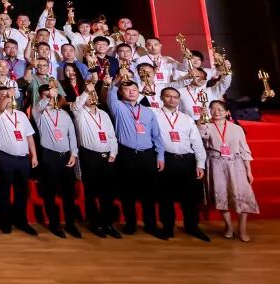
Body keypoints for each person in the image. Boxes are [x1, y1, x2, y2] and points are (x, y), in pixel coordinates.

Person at [106, 78, 166, 239]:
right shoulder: (118, 107)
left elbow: (156, 135)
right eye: (127, 89)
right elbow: (111, 94)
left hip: (147, 154)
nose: (131, 92)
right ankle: (130, 223)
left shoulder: (148, 111)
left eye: (134, 89)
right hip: (127, 154)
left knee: (149, 192)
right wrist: (117, 82)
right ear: (121, 92)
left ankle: (151, 225)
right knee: (128, 191)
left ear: (139, 91)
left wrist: (160, 155)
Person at [153, 87, 209, 241]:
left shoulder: (187, 118)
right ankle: (167, 228)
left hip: (187, 161)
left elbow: (196, 142)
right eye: (168, 96)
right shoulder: (154, 114)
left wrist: (200, 164)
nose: (172, 99)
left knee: (190, 198)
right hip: (166, 160)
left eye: (175, 97)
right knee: (165, 197)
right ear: (161, 98)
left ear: (179, 100)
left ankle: (192, 227)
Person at [200, 100, 259, 242]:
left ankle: (242, 229)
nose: (216, 112)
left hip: (235, 164)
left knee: (243, 196)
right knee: (222, 197)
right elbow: (200, 136)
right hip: (215, 165)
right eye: (213, 109)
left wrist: (248, 170)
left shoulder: (236, 128)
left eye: (220, 109)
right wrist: (201, 119)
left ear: (227, 112)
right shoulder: (206, 126)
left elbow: (244, 150)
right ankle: (228, 227)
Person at [31, 85, 81, 238]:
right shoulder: (39, 112)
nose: (51, 97)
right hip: (49, 156)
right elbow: (39, 107)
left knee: (68, 193)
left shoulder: (64, 114)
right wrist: (47, 97)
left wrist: (73, 154)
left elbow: (72, 135)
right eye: (46, 95)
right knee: (50, 193)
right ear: (41, 97)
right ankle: (54, 224)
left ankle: (71, 225)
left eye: (53, 95)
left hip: (66, 156)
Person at [0, 87, 38, 235]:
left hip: (23, 159)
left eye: (9, 95)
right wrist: (7, 96)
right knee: (4, 192)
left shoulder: (21, 115)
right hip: (5, 158)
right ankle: (4, 222)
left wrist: (34, 155)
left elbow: (29, 136)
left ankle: (21, 221)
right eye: (3, 95)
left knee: (22, 193)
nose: (7, 97)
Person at [73, 87, 120, 237]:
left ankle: (108, 223)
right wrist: (86, 91)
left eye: (93, 94)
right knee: (91, 192)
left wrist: (113, 152)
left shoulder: (103, 114)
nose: (92, 97)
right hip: (89, 155)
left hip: (107, 156)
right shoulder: (80, 112)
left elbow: (111, 135)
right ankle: (95, 223)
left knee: (108, 193)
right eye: (89, 95)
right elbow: (77, 105)